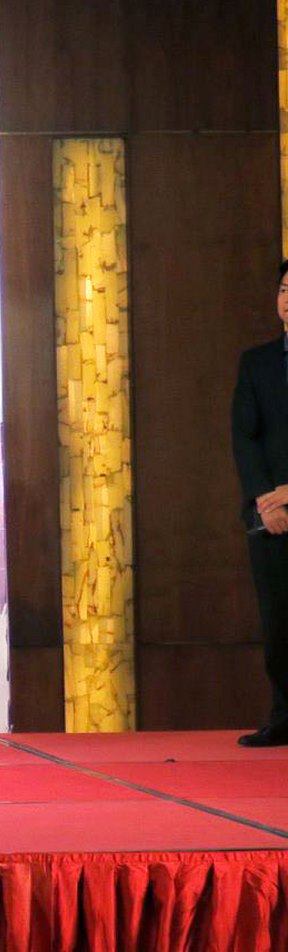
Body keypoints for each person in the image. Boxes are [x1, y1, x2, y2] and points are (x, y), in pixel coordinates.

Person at [229, 260, 288, 747]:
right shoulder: (257, 362)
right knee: (279, 623)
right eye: (285, 289)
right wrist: (268, 501)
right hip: (272, 515)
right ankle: (284, 718)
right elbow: (244, 438)